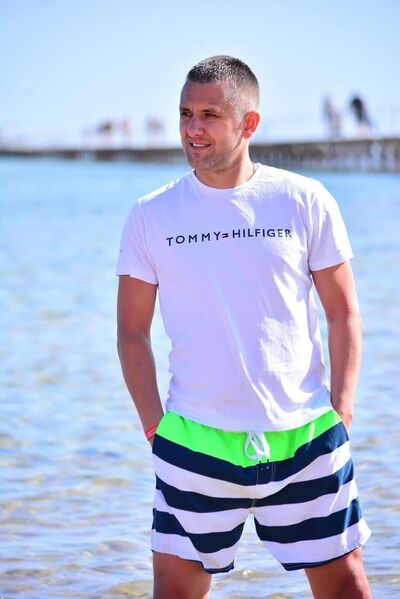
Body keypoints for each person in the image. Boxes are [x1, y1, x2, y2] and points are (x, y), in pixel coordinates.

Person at [116, 55, 372, 598]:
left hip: (305, 437)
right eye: (185, 114)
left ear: (248, 123)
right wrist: (154, 427)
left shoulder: (304, 200)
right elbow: (131, 331)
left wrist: (343, 410)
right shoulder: (151, 214)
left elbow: (343, 311)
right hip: (195, 439)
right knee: (175, 593)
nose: (193, 128)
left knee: (347, 587)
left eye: (209, 115)